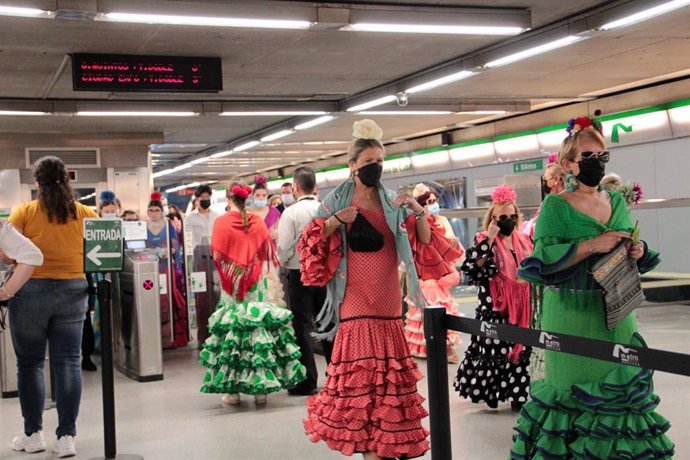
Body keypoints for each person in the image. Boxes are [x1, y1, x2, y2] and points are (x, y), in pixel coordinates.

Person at [510, 116, 673, 458]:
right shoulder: (556, 206)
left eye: (602, 157)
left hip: (617, 311)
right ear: (568, 164)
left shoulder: (615, 201)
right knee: (573, 394)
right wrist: (590, 246)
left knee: (622, 393)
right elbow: (541, 261)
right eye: (587, 157)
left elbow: (627, 246)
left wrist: (636, 250)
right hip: (572, 313)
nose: (595, 163)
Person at [300, 119, 436, 460]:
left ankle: (385, 447)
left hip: (389, 299)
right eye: (368, 163)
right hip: (355, 298)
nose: (374, 168)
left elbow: (424, 239)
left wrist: (418, 210)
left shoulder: (392, 201)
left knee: (387, 384)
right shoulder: (334, 200)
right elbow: (310, 244)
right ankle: (369, 451)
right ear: (352, 166)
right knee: (363, 382)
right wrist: (334, 222)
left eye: (379, 162)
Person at [8, 156, 98, 458]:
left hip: (30, 290)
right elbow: (99, 251)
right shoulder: (87, 212)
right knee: (69, 362)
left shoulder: (25, 212)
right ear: (67, 180)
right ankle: (66, 438)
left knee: (30, 364)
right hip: (74, 290)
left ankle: (33, 434)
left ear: (37, 182)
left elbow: (6, 253)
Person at [199, 181, 306, 405]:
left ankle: (233, 393)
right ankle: (261, 391)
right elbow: (266, 253)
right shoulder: (257, 221)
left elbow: (217, 257)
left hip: (233, 284)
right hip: (256, 282)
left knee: (233, 333)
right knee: (258, 330)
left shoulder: (220, 223)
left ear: (229, 199)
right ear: (247, 199)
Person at [453, 184, 533, 411]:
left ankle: (518, 393)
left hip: (522, 306)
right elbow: (473, 267)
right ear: (493, 218)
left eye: (512, 216)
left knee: (520, 349)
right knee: (494, 349)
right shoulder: (483, 238)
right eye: (503, 216)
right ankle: (491, 391)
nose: (508, 220)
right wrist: (489, 239)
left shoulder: (525, 239)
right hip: (494, 306)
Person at [277, 166, 333, 396]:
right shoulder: (326, 210)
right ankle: (335, 378)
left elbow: (283, 247)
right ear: (315, 187)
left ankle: (307, 380)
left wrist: (285, 262)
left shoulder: (290, 213)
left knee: (302, 327)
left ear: (296, 187)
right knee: (329, 325)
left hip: (299, 275)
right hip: (326, 275)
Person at [403, 183, 464, 363]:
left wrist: (451, 247)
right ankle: (434, 347)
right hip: (426, 272)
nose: (434, 204)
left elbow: (452, 245)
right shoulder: (414, 221)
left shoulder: (442, 220)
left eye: (435, 200)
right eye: (430, 201)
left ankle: (440, 347)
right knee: (433, 305)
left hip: (441, 271)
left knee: (439, 306)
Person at [146, 192, 188, 349]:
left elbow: (175, 246)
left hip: (165, 267)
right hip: (149, 267)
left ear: (161, 211)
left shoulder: (168, 224)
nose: (154, 213)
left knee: (168, 296)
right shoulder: (143, 226)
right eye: (151, 210)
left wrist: (168, 251)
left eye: (156, 210)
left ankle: (170, 336)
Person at [184, 185, 220, 346]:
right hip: (199, 260)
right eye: (202, 198)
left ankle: (218, 335)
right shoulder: (190, 218)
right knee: (202, 299)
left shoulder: (217, 216)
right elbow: (188, 241)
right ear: (196, 199)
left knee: (217, 297)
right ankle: (202, 337)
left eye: (208, 197)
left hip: (216, 260)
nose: (205, 200)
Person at [247, 175, 285, 307]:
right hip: (253, 258)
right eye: (258, 195)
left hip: (271, 257)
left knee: (272, 290)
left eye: (264, 195)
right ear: (253, 195)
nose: (261, 198)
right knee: (256, 291)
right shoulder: (248, 214)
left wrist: (277, 233)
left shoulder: (274, 212)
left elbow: (281, 233)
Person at [521, 160, 568, 239]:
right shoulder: (574, 200)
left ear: (556, 179)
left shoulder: (551, 203)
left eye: (546, 179)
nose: (544, 183)